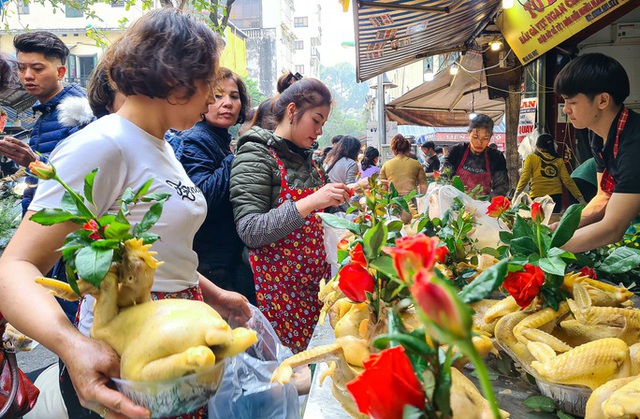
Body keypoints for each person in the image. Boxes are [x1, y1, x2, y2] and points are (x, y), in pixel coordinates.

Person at [0, 9, 250, 419]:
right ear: (176, 78)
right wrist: (73, 347)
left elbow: (154, 246)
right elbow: (15, 267)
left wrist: (213, 294)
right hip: (126, 359)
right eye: (209, 82)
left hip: (174, 344)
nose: (212, 96)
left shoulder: (162, 144)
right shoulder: (103, 145)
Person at [230, 78, 351, 353]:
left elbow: (318, 215)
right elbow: (250, 230)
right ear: (293, 110)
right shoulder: (255, 154)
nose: (319, 131)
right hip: (279, 295)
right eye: (316, 120)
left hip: (313, 287)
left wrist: (343, 195)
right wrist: (310, 202)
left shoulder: (307, 159)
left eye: (322, 125)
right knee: (291, 371)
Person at [173, 67, 256, 305]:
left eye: (234, 96)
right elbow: (203, 195)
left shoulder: (220, 139)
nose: (227, 103)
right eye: (218, 96)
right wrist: (236, 157)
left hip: (227, 257)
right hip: (208, 261)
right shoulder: (195, 139)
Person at [553, 53, 640, 253]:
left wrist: (548, 250)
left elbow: (612, 229)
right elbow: (604, 196)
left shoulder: (634, 145)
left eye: (572, 102)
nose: (565, 110)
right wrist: (562, 229)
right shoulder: (598, 136)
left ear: (602, 100)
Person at [0, 31, 94, 215]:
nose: (27, 76)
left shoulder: (79, 112)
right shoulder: (44, 111)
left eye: (37, 68)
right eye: (21, 68)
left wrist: (34, 162)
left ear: (60, 72)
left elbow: (86, 174)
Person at [514, 133, 586, 212]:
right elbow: (568, 181)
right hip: (555, 198)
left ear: (537, 146)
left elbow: (525, 178)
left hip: (537, 197)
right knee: (553, 222)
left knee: (538, 222)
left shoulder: (531, 158)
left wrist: (516, 194)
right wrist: (580, 198)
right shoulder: (558, 161)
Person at [443, 114, 509, 197]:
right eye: (475, 137)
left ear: (491, 137)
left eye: (485, 138)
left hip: (483, 205)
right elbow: (444, 178)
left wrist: (486, 201)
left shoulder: (496, 157)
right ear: (468, 133)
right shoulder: (456, 151)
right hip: (456, 203)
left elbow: (501, 187)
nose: (479, 142)